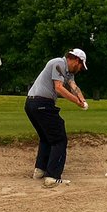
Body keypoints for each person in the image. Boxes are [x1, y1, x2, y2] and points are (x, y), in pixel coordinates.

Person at [24, 48, 88, 188]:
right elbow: (58, 88)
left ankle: (40, 170)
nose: (80, 69)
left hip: (32, 104)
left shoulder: (68, 73)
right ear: (76, 60)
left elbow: (74, 87)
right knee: (59, 139)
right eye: (80, 66)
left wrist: (82, 100)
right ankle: (52, 176)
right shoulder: (58, 63)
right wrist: (76, 102)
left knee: (47, 137)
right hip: (42, 103)